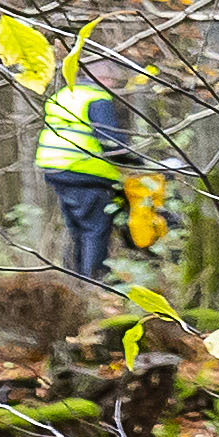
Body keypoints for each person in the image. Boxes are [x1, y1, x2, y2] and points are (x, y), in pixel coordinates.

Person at [36, 51, 137, 283]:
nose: (113, 86)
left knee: (78, 230)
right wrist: (137, 162)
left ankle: (75, 280)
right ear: (101, 78)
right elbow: (110, 141)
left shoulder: (64, 94)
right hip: (85, 172)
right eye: (112, 81)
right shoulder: (96, 98)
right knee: (95, 229)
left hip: (56, 170)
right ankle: (94, 282)